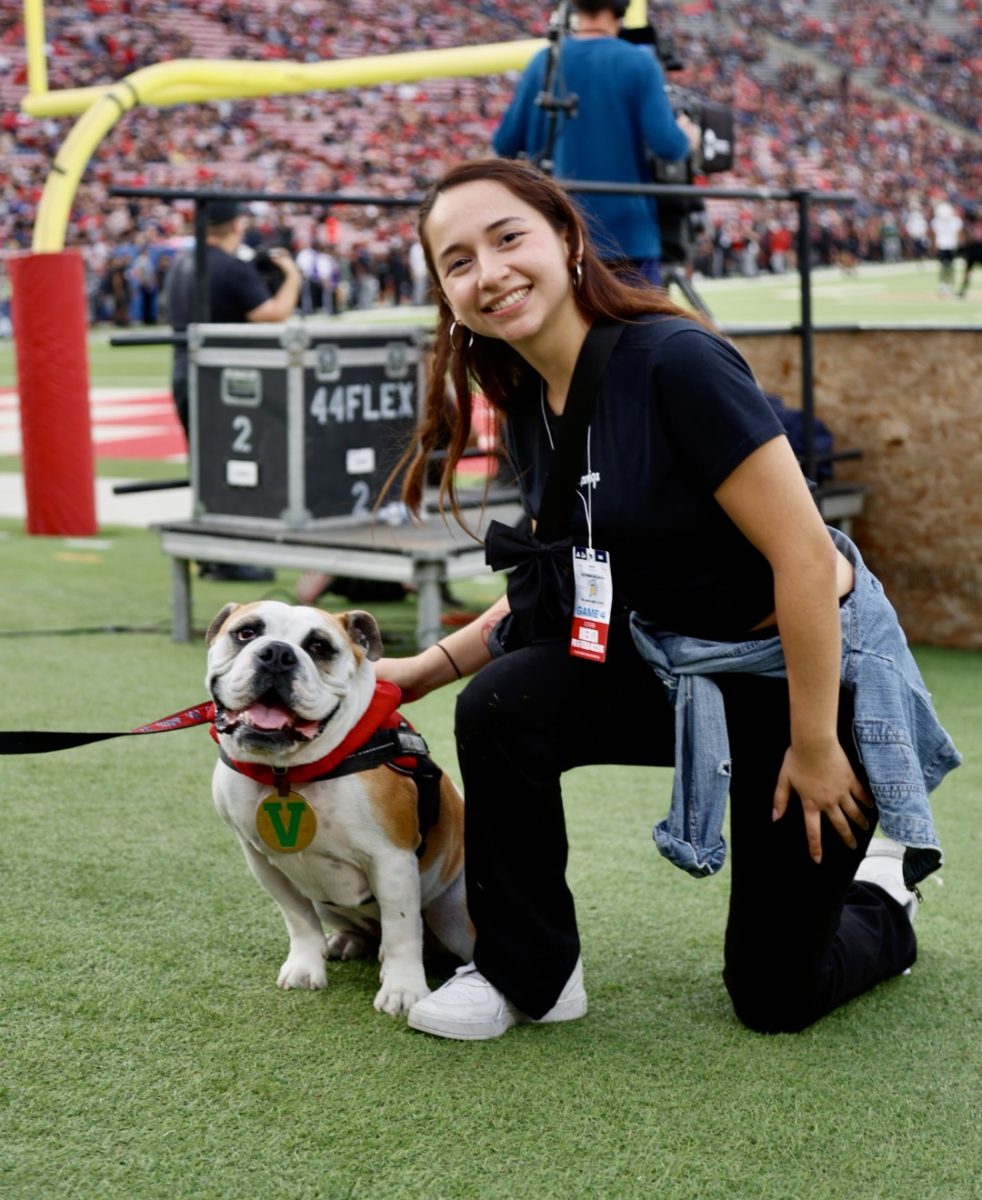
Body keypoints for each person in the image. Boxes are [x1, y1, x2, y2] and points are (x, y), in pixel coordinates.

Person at [375, 158, 960, 1041]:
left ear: (567, 241)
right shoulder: (528, 396)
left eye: (507, 239)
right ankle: (530, 974)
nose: (487, 273)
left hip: (805, 675)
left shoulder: (673, 361)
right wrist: (423, 670)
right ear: (446, 294)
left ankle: (881, 893)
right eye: (457, 262)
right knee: (506, 707)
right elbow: (554, 591)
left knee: (775, 999)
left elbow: (803, 560)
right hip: (675, 661)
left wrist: (811, 745)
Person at [492, 0, 699, 285]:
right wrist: (687, 136)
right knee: (639, 329)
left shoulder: (544, 61)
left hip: (557, 237)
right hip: (627, 239)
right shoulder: (638, 62)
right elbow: (669, 146)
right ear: (621, 9)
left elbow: (505, 143)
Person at [166, 199, 302, 582]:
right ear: (236, 227)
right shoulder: (229, 265)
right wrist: (291, 275)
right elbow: (272, 315)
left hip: (184, 372)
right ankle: (228, 558)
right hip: (224, 380)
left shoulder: (180, 263)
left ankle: (210, 555)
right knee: (235, 466)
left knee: (206, 468)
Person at [930, 200, 962, 296]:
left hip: (951, 246)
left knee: (950, 266)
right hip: (942, 246)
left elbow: (957, 234)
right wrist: (934, 245)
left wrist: (958, 245)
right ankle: (943, 284)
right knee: (943, 266)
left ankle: (949, 283)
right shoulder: (936, 221)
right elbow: (934, 235)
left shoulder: (956, 221)